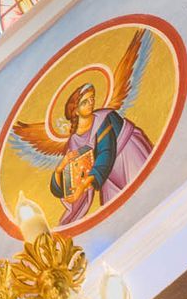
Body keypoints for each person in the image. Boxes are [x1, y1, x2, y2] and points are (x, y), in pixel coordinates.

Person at [44, 81, 155, 227]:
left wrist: (84, 185)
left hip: (127, 155)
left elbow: (106, 152)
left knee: (148, 190)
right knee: (122, 217)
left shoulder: (103, 118)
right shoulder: (73, 141)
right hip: (105, 175)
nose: (91, 103)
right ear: (76, 111)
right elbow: (70, 176)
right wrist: (61, 169)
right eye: (85, 102)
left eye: (92, 99)